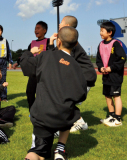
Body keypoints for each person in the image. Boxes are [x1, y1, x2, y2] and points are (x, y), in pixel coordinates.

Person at [20, 27, 87, 160]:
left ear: (59, 42)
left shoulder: (46, 56)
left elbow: (26, 66)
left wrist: (28, 52)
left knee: (37, 153)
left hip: (42, 115)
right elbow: (81, 94)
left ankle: (38, 154)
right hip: (64, 116)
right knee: (72, 110)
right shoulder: (76, 66)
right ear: (75, 44)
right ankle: (60, 148)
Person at [50, 15, 97, 133]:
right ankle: (71, 123)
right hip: (82, 77)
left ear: (66, 26)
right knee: (64, 100)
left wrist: (52, 44)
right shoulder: (71, 41)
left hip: (84, 77)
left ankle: (78, 122)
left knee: (64, 101)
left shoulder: (71, 42)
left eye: (61, 23)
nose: (59, 25)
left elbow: (56, 57)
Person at [14, 21, 52, 111]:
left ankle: (44, 111)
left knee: (42, 93)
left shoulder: (48, 41)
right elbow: (26, 54)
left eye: (38, 28)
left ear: (44, 30)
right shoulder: (32, 43)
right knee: (30, 92)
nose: (36, 30)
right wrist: (17, 62)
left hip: (43, 72)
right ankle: (32, 111)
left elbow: (52, 55)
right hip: (33, 72)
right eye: (35, 28)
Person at [96, 21, 126, 127]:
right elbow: (98, 59)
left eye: (102, 31)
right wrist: (101, 68)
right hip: (106, 76)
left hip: (115, 75)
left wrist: (111, 68)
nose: (100, 33)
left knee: (116, 95)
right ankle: (111, 116)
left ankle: (117, 119)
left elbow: (122, 58)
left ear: (110, 32)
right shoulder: (100, 44)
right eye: (100, 30)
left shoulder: (116, 43)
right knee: (108, 96)